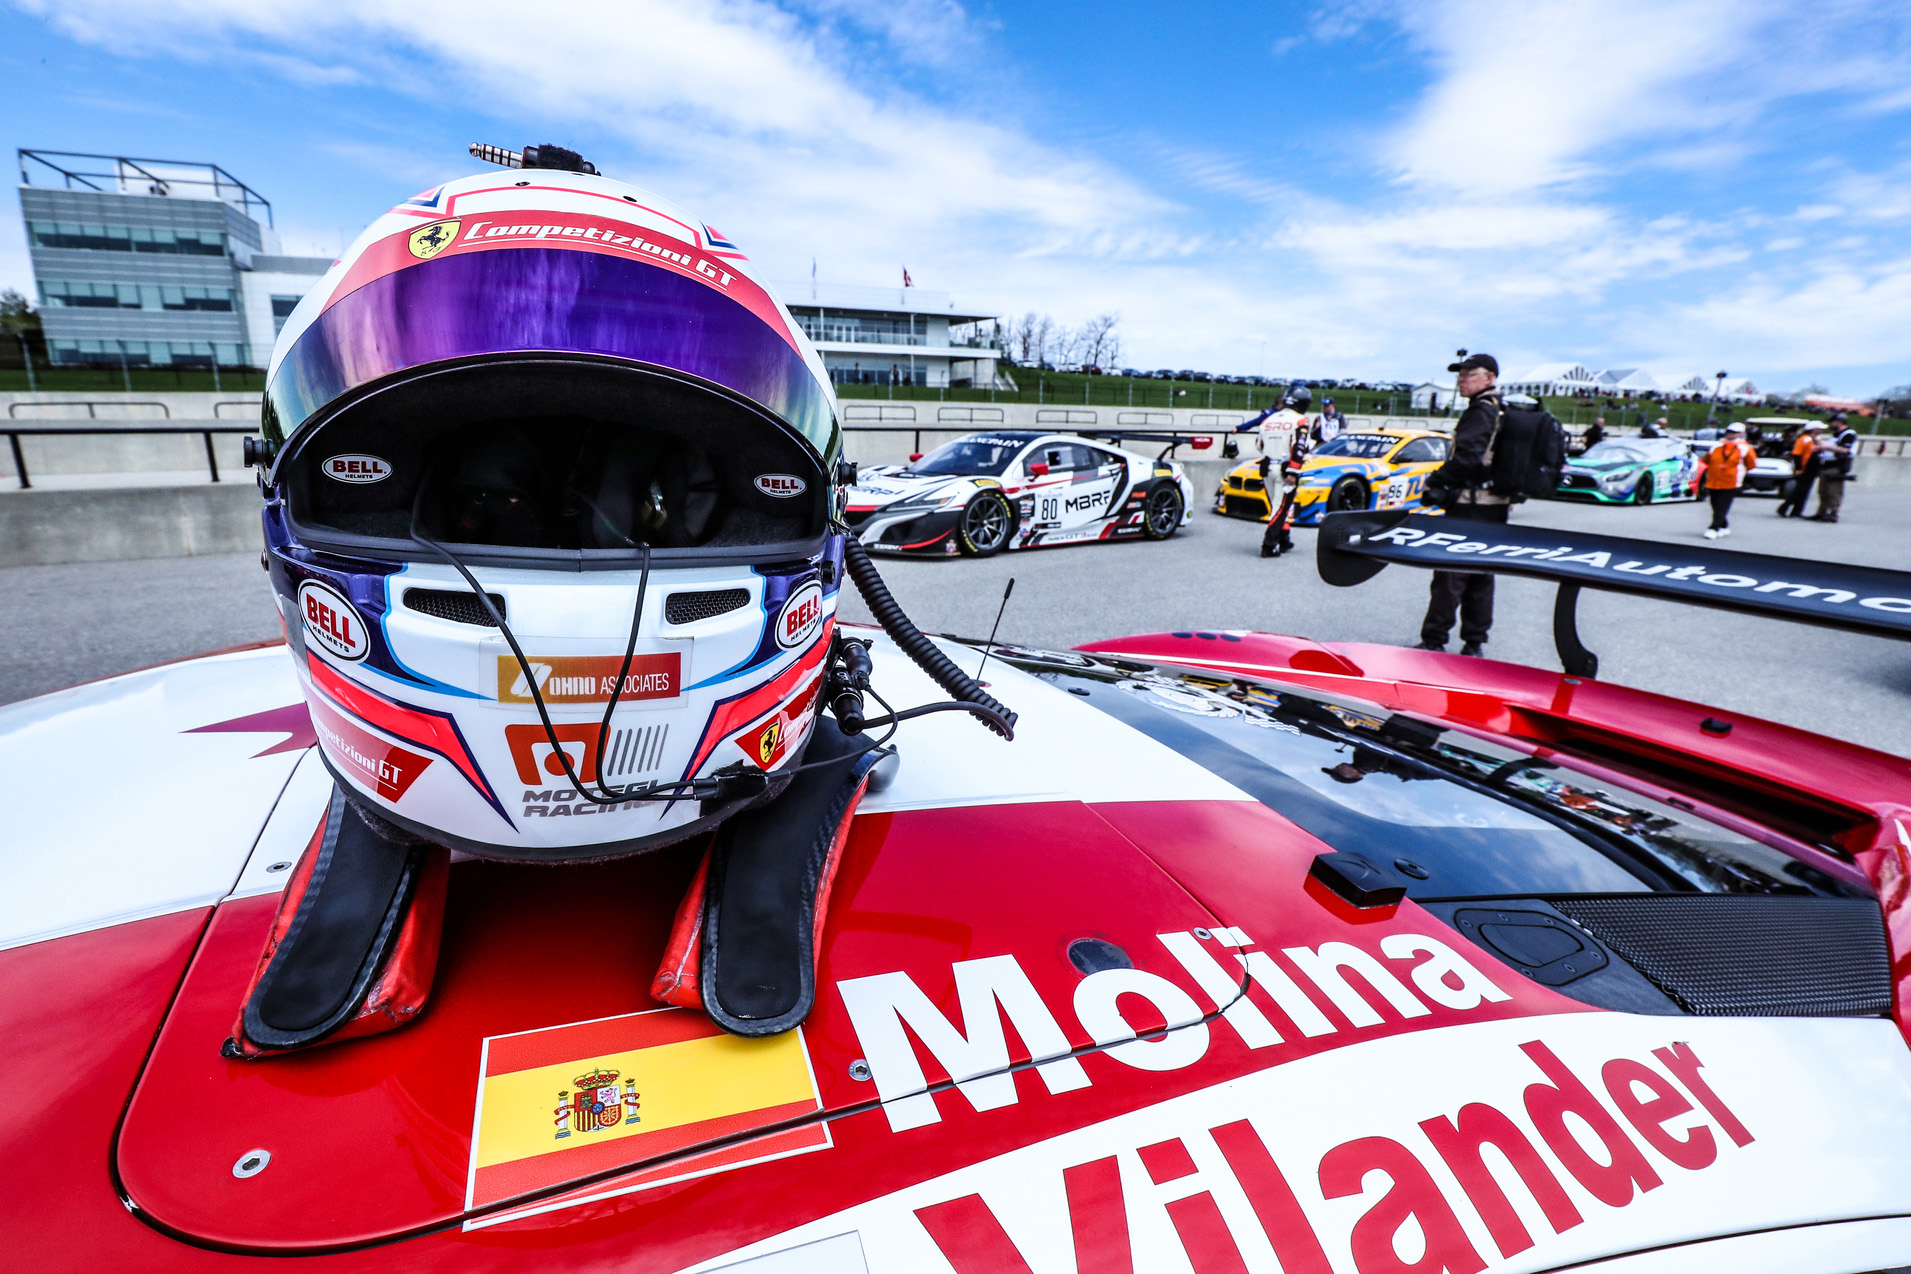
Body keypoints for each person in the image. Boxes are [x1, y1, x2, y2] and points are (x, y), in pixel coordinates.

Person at [1415, 353, 1507, 657]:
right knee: (1481, 572)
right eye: (1460, 374)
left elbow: (1467, 458)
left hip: (1469, 504)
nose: (1462, 379)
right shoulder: (1500, 409)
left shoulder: (1480, 411)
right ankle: (1475, 642)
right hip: (1494, 504)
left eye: (1470, 374)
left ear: (1490, 377)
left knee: (1450, 573)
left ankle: (1434, 641)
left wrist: (1436, 480)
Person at [1259, 384, 1314, 557]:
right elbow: (1299, 447)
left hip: (1266, 467)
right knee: (1280, 508)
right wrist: (1293, 472)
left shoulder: (1268, 420)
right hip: (1285, 469)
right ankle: (1269, 545)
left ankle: (1284, 540)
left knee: (1277, 506)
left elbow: (1259, 445)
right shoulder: (1300, 420)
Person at [1698, 422, 1757, 539]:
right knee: (1714, 504)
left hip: (1731, 482)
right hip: (1714, 480)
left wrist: (1739, 473)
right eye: (1730, 432)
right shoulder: (1717, 446)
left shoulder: (1744, 448)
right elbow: (1706, 460)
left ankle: (1713, 528)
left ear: (1741, 434)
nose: (1731, 434)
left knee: (1722, 505)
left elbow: (1752, 464)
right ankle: (1724, 526)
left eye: (1735, 432)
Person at [1812, 413, 1859, 522]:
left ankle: (1833, 514)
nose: (1830, 424)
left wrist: (1826, 447)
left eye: (1832, 422)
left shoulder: (1848, 434)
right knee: (1823, 491)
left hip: (1837, 466)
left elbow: (1846, 450)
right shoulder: (1836, 435)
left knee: (1834, 491)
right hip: (1827, 465)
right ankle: (1821, 512)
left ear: (1839, 422)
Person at [1777, 422, 1825, 517]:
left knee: (1804, 491)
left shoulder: (1814, 440)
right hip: (1805, 468)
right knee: (1800, 490)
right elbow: (1796, 454)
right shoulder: (1805, 439)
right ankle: (1784, 508)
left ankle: (1797, 511)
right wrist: (1798, 468)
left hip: (1811, 469)